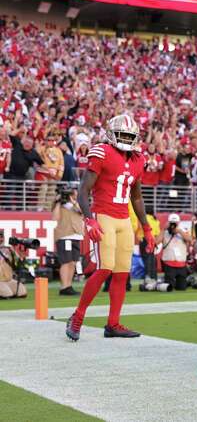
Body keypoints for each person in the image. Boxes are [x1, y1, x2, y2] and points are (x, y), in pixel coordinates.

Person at [65, 114, 155, 341]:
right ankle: (78, 315)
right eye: (122, 135)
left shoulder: (138, 159)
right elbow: (83, 190)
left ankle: (113, 323)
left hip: (123, 219)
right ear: (112, 135)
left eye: (129, 136)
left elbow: (136, 197)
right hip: (103, 214)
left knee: (122, 273)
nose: (126, 139)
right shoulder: (101, 152)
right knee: (105, 268)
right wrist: (89, 219)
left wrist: (146, 227)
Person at [52, 186, 83, 296]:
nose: (74, 194)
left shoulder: (78, 204)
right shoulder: (61, 205)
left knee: (73, 262)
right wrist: (58, 202)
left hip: (77, 236)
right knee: (66, 262)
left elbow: (81, 211)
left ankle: (69, 285)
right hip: (65, 235)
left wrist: (73, 202)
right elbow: (55, 218)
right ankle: (64, 286)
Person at [156, 213, 192, 291]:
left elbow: (190, 240)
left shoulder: (183, 231)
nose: (173, 225)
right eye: (171, 223)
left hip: (181, 264)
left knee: (182, 288)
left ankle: (162, 281)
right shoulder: (165, 232)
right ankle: (159, 283)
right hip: (169, 263)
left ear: (179, 222)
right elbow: (156, 242)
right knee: (169, 287)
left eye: (175, 223)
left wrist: (179, 231)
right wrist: (163, 229)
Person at [0, 230, 28, 298]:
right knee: (7, 294)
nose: (0, 239)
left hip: (8, 279)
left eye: (1, 237)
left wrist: (21, 254)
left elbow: (18, 266)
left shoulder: (9, 249)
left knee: (22, 293)